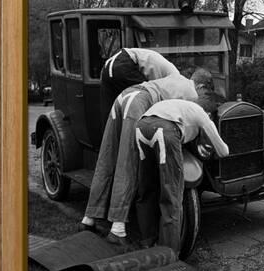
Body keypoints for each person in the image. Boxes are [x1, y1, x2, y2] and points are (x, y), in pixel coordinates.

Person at [79, 70, 213, 249]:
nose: (202, 96)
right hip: (138, 103)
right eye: (205, 92)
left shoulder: (173, 78)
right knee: (129, 162)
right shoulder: (191, 91)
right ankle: (118, 230)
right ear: (201, 85)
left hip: (124, 97)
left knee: (107, 158)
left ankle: (88, 218)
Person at [135, 96, 229, 255]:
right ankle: (168, 251)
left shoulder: (183, 106)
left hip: (141, 127)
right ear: (209, 113)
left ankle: (147, 241)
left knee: (147, 187)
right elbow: (223, 151)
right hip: (164, 130)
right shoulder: (203, 115)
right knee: (172, 195)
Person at [100, 48, 179, 128]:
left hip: (109, 64)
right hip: (124, 63)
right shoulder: (174, 78)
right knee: (141, 102)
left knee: (111, 112)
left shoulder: (169, 72)